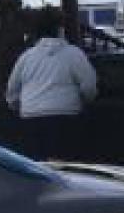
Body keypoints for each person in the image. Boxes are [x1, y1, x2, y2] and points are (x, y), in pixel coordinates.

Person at [6, 12, 98, 162]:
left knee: (36, 166)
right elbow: (89, 86)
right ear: (60, 30)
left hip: (31, 118)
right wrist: (85, 102)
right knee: (67, 167)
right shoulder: (74, 54)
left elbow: (12, 90)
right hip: (65, 118)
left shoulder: (27, 56)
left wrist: (17, 107)